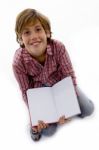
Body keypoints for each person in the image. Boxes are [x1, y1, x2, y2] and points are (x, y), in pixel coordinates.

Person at [12, 8, 94, 141]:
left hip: (61, 84)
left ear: (47, 32)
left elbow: (69, 76)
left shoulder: (58, 47)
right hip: (40, 92)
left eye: (38, 29)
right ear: (20, 38)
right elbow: (26, 92)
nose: (33, 37)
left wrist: (67, 107)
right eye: (27, 32)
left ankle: (70, 109)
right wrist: (35, 116)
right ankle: (32, 127)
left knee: (88, 109)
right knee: (48, 131)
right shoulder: (18, 62)